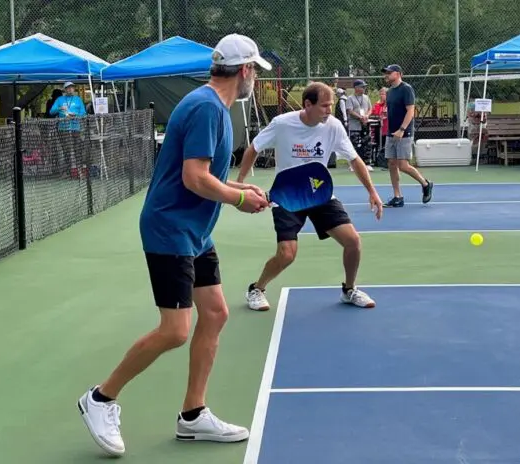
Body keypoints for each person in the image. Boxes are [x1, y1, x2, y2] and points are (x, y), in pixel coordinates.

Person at [76, 33, 271, 457]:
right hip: (170, 229)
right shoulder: (206, 108)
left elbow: (207, 176)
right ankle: (100, 398)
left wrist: (241, 188)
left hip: (194, 231)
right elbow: (193, 178)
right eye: (254, 70)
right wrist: (238, 198)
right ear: (243, 71)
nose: (254, 77)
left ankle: (193, 415)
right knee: (176, 330)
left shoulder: (213, 107)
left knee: (216, 313)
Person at [237, 82, 383, 312]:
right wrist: (240, 183)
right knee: (286, 254)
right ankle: (257, 288)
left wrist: (372, 192)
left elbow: (354, 159)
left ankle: (349, 289)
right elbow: (254, 148)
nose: (329, 110)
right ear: (308, 104)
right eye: (325, 105)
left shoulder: (333, 126)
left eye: (331, 105)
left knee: (353, 241)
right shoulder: (283, 124)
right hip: (287, 195)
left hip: (319, 192)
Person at [380, 64, 433, 207]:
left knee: (403, 165)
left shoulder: (406, 89)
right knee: (391, 164)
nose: (386, 75)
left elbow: (410, 111)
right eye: (386, 73)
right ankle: (398, 197)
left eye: (389, 73)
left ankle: (425, 184)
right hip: (392, 132)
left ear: (398, 74)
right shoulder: (390, 91)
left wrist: (402, 129)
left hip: (404, 132)